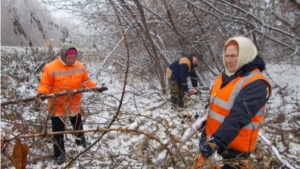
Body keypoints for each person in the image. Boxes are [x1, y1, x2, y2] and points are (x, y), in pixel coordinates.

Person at [196, 36, 271, 169]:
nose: (228, 60)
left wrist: (214, 142)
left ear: (245, 55)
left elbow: (238, 117)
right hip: (211, 138)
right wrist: (205, 120)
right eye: (226, 56)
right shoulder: (226, 75)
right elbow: (215, 103)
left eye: (233, 56)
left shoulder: (257, 83)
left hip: (234, 149)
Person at [37, 42, 102, 165]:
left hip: (74, 102)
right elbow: (45, 85)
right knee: (58, 130)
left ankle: (80, 141)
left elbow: (85, 82)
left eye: (74, 58)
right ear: (62, 55)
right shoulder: (50, 67)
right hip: (57, 105)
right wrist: (42, 93)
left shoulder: (80, 66)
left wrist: (96, 87)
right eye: (69, 58)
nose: (72, 60)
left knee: (77, 123)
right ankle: (59, 153)